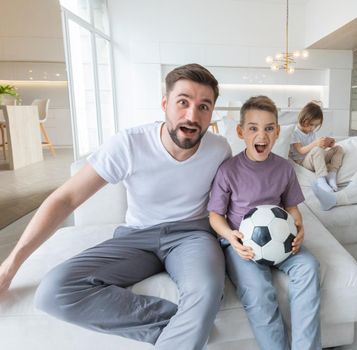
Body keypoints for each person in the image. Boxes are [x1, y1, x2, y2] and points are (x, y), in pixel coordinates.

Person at [0, 63, 232, 349]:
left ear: (211, 113)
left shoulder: (219, 149)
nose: (192, 115)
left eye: (204, 106)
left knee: (208, 290)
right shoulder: (129, 144)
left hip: (192, 236)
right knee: (52, 291)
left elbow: (232, 201)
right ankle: (187, 326)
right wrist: (11, 265)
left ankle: (191, 325)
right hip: (137, 238)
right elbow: (66, 198)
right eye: (183, 102)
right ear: (164, 103)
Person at [208, 95, 321, 350]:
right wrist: (231, 238)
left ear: (278, 132)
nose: (262, 135)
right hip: (243, 247)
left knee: (309, 267)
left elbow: (291, 207)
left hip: (281, 241)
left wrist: (298, 226)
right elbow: (215, 215)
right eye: (253, 128)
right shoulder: (228, 170)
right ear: (240, 132)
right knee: (259, 291)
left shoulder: (284, 168)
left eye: (269, 128)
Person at [289, 101, 344, 192]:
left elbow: (318, 150)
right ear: (303, 119)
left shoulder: (311, 133)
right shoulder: (294, 132)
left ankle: (332, 174)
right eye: (311, 125)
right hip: (303, 161)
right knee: (317, 150)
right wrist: (316, 143)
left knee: (338, 149)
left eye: (316, 125)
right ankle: (321, 180)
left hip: (314, 158)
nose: (313, 128)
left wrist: (327, 144)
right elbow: (301, 151)